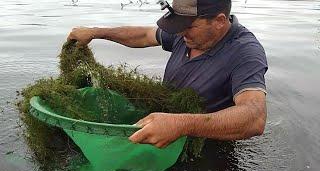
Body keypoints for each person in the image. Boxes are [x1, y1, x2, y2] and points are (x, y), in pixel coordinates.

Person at [67, 0, 268, 149]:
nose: (181, 34)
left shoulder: (245, 52)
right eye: (178, 26)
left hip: (202, 147)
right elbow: (144, 35)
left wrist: (181, 124)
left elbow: (255, 117)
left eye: (188, 27)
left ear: (219, 21)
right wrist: (96, 33)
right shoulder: (188, 32)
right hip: (163, 126)